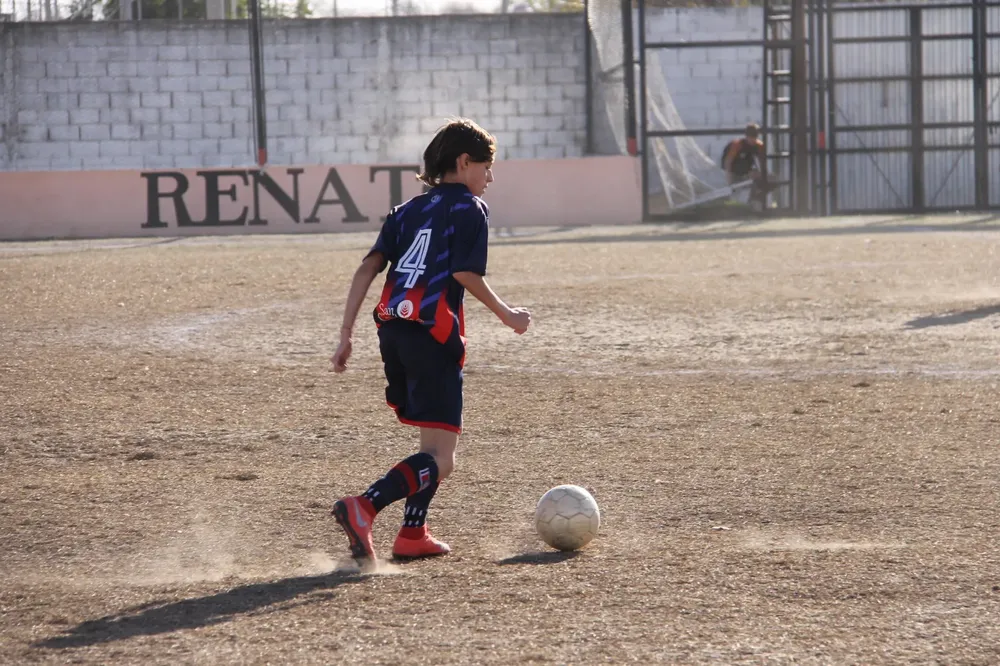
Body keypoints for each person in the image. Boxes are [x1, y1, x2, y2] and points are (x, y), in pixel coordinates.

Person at [329, 118, 532, 566]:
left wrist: (346, 334)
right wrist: (508, 315)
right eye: (487, 166)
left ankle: (413, 533)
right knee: (443, 459)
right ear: (464, 162)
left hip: (394, 333)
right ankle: (364, 506)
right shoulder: (469, 209)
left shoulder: (405, 210)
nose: (490, 178)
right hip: (433, 332)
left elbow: (367, 269)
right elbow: (464, 273)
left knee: (431, 445)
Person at [722, 122, 771, 211]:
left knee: (762, 178)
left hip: (746, 170)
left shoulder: (759, 145)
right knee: (737, 188)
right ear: (746, 136)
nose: (752, 140)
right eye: (750, 138)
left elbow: (762, 162)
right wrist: (729, 180)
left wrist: (764, 175)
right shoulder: (737, 145)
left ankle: (756, 202)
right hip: (734, 171)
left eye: (754, 138)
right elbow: (728, 162)